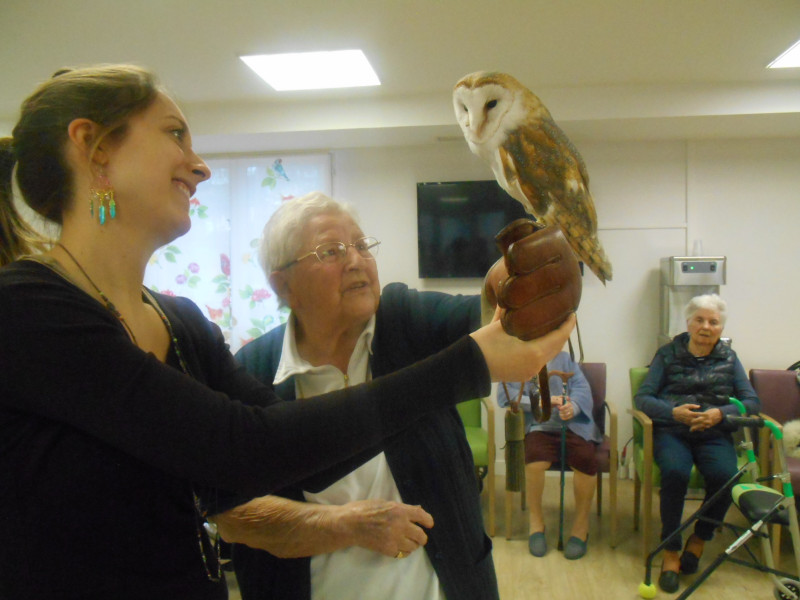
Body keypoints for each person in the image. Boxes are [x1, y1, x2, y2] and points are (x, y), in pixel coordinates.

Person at [0, 64, 575, 600]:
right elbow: (243, 447)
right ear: (95, 149)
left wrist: (503, 301)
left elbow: (293, 460)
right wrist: (473, 364)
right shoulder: (26, 313)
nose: (199, 165)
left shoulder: (180, 322)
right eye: (176, 134)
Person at [213, 192, 498, 600]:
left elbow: (486, 313)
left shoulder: (405, 320)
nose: (356, 260)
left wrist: (509, 281)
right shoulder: (251, 372)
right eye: (331, 251)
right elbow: (232, 516)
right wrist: (346, 525)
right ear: (284, 284)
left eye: (362, 246)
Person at [634, 294, 759, 593]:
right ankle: (671, 550)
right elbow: (643, 398)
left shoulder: (730, 358)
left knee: (726, 476)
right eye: (699, 320)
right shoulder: (667, 354)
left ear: (720, 327)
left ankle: (700, 538)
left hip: (713, 433)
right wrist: (672, 412)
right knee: (675, 473)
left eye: (713, 322)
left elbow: (751, 402)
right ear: (688, 322)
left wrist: (720, 415)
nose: (706, 326)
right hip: (673, 431)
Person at [497, 352, 601, 560]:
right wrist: (539, 401)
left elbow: (582, 389)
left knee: (586, 459)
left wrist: (574, 407)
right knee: (534, 459)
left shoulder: (566, 359)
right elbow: (504, 396)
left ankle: (581, 527)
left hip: (573, 427)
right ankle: (536, 523)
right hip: (539, 425)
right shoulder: (516, 359)